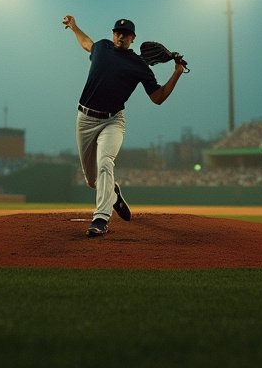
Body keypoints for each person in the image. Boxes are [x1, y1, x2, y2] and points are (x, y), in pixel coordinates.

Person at [63, 15, 186, 237]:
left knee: (105, 162)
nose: (121, 36)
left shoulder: (140, 66)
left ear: (133, 38)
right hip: (85, 119)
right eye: (118, 32)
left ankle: (101, 218)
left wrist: (176, 73)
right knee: (92, 181)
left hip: (113, 121)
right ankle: (114, 193)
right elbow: (86, 42)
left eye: (126, 34)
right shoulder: (101, 47)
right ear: (113, 34)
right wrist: (74, 26)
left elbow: (158, 97)